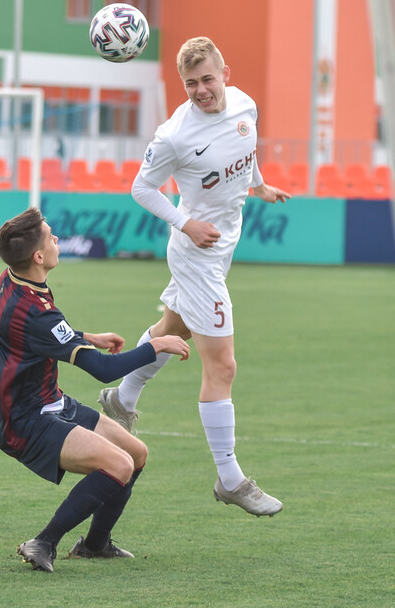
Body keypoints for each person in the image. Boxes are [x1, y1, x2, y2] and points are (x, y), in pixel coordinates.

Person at [98, 37, 289, 517]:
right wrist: (185, 222)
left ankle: (121, 397)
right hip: (195, 252)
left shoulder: (244, 103)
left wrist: (259, 185)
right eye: (190, 84)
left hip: (224, 242)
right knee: (222, 365)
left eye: (207, 79)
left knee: (172, 330)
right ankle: (230, 479)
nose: (201, 90)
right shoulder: (173, 135)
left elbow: (246, 148)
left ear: (226, 70)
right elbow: (142, 188)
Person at [0, 207, 190, 572]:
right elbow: (101, 370)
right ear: (38, 256)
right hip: (25, 421)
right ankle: (43, 542)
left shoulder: (12, 279)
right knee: (119, 464)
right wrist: (155, 346)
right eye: (51, 237)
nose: (57, 241)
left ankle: (95, 544)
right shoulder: (38, 311)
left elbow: (37, 337)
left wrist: (85, 337)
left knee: (136, 454)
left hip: (48, 402)